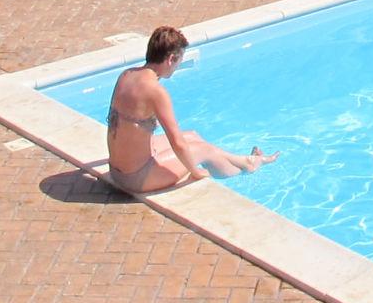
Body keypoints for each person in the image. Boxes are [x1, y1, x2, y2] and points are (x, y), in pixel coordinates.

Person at [103, 26, 276, 195]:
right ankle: (248, 166)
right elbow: (176, 142)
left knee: (192, 136)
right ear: (171, 59)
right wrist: (195, 172)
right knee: (204, 150)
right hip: (136, 178)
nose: (177, 67)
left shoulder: (126, 75)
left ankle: (246, 161)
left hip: (117, 169)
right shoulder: (155, 92)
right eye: (179, 61)